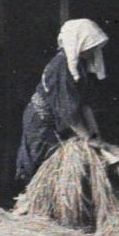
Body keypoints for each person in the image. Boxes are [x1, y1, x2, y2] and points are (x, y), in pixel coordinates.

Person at [14, 18, 108, 187]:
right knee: (42, 165)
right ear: (79, 42)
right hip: (41, 121)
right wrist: (87, 137)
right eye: (90, 44)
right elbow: (67, 108)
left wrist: (96, 135)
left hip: (60, 119)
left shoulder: (80, 65)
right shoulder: (61, 66)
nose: (94, 49)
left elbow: (85, 103)